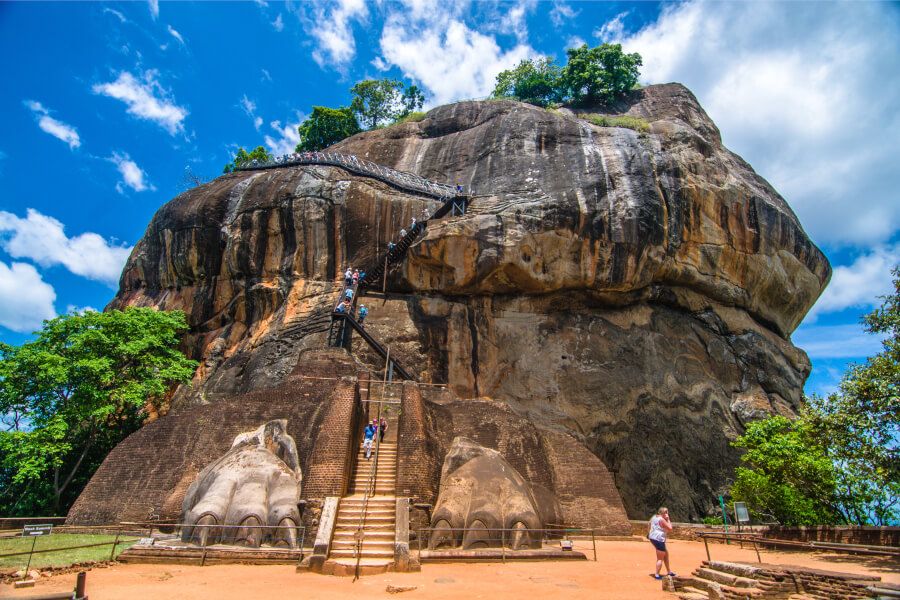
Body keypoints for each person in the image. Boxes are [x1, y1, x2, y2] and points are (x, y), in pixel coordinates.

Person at [648, 507, 675, 579]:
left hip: (652, 537)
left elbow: (649, 524)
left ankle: (669, 571)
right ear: (661, 513)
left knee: (666, 554)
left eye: (667, 512)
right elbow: (670, 528)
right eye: (665, 512)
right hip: (659, 539)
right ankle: (657, 575)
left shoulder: (654, 517)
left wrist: (649, 532)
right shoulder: (662, 520)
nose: (667, 514)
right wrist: (668, 519)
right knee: (660, 558)